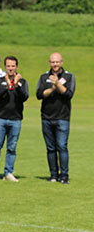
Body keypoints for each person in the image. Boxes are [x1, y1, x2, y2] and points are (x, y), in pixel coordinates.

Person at [36, 52, 75, 184]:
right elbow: (39, 94)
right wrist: (52, 88)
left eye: (57, 62)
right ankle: (53, 175)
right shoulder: (44, 77)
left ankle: (64, 176)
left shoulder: (69, 76)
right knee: (50, 148)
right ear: (49, 62)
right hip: (46, 117)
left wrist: (58, 84)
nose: (55, 64)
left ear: (62, 62)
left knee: (62, 146)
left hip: (62, 117)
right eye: (53, 62)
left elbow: (69, 94)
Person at [0, 56, 29, 182]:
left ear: (16, 67)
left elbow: (24, 97)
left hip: (15, 119)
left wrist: (16, 84)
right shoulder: (0, 80)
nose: (10, 68)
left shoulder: (23, 82)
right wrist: (7, 86)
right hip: (0, 118)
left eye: (13, 66)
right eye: (8, 66)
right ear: (5, 67)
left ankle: (8, 172)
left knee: (11, 147)